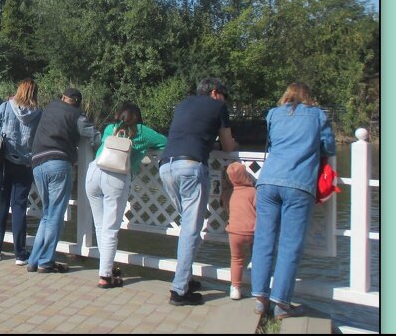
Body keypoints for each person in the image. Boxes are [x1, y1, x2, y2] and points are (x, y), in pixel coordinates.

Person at [251, 82, 335, 319]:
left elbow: (271, 142)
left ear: (286, 96)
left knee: (264, 240)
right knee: (289, 244)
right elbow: (328, 146)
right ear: (308, 97)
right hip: (298, 184)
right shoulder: (318, 115)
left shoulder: (273, 114)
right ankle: (281, 303)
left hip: (268, 181)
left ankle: (260, 298)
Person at [158, 78, 239, 306]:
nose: (225, 100)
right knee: (190, 231)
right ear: (215, 93)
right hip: (191, 167)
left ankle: (186, 278)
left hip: (166, 166)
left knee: (188, 227)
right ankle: (179, 291)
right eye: (224, 95)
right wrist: (232, 146)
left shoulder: (184, 104)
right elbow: (227, 145)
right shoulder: (218, 106)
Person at [86, 102, 168, 288]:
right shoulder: (142, 131)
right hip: (116, 178)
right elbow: (166, 142)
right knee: (111, 229)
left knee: (100, 227)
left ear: (118, 115)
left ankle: (105, 268)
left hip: (93, 173)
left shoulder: (109, 128)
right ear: (138, 117)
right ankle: (105, 277)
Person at [26, 87, 98, 273]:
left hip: (37, 163)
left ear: (63, 98)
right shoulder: (77, 115)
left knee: (47, 215)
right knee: (55, 215)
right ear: (77, 103)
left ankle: (34, 260)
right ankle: (45, 262)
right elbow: (92, 134)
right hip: (58, 162)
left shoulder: (49, 108)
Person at [0, 78, 42, 264]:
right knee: (19, 208)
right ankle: (20, 253)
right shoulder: (39, 112)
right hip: (25, 164)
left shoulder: (6, 107)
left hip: (2, 163)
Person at [222, 161, 257, 301]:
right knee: (258, 254)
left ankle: (235, 288)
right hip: (252, 231)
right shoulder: (253, 192)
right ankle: (258, 288)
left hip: (234, 231)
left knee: (236, 259)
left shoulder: (230, 193)